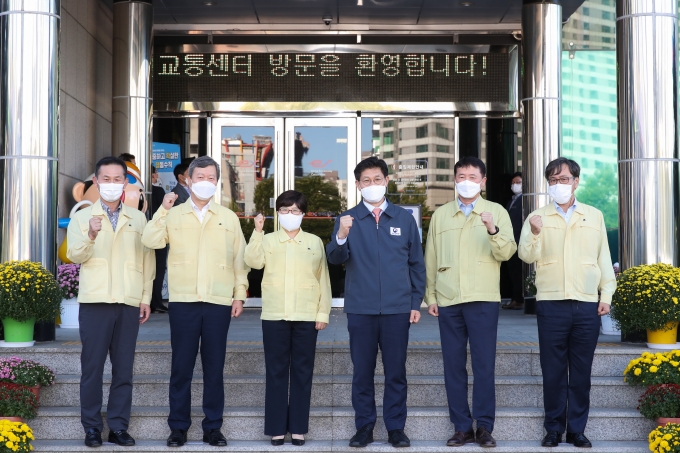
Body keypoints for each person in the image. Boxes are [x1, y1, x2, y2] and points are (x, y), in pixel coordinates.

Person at [141, 156, 250, 448]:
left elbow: (239, 259)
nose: (205, 182)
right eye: (199, 176)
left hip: (217, 302)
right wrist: (162, 211)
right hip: (184, 302)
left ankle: (213, 427)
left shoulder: (228, 218)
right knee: (182, 367)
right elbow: (150, 241)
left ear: (217, 182)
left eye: (211, 177)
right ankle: (178, 427)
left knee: (214, 368)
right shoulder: (173, 214)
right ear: (188, 180)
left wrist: (239, 293)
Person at [326, 157, 426, 449]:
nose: (372, 185)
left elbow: (416, 264)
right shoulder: (347, 219)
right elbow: (334, 258)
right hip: (361, 309)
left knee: (396, 372)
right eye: (366, 181)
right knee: (362, 372)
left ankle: (396, 428)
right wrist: (342, 235)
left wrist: (414, 302)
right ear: (357, 185)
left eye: (377, 179)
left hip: (397, 309)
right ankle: (364, 427)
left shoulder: (403, 219)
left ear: (387, 181)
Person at [518, 157, 616, 449]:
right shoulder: (537, 216)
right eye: (553, 180)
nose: (558, 185)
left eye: (564, 179)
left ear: (576, 181)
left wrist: (606, 295)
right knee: (553, 371)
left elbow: (603, 260)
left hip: (586, 303)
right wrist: (535, 233)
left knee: (581, 371)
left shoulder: (594, 215)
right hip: (551, 303)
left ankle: (577, 430)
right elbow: (525, 255)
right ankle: (553, 429)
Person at [424, 156, 516, 448]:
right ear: (454, 179)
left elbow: (507, 253)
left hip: (483, 298)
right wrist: (432, 296)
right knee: (453, 365)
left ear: (483, 181)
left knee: (483, 365)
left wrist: (492, 230)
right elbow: (431, 258)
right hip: (449, 298)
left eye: (472, 176)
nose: (466, 181)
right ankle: (461, 427)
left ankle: (485, 427)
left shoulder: (496, 212)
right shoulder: (441, 214)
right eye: (461, 175)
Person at [66, 156, 155, 448]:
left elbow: (147, 261)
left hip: (128, 301)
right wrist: (91, 234)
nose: (112, 184)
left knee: (124, 369)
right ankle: (91, 427)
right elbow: (75, 255)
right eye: (107, 179)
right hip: (96, 301)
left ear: (126, 183)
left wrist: (145, 298)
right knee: (92, 368)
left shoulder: (138, 217)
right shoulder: (81, 216)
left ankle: (118, 426)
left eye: (119, 179)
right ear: (95, 181)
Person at [244, 190, 332, 447]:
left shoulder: (314, 241)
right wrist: (257, 231)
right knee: (276, 372)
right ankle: (276, 428)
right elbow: (252, 262)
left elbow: (322, 279)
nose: (289, 215)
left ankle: (298, 428)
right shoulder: (268, 240)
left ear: (303, 214)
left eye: (294, 211)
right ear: (278, 213)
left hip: (306, 315)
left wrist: (322, 312)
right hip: (274, 315)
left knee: (303, 372)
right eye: (284, 210)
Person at [502, 171, 524, 310]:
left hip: (520, 241)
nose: (515, 185)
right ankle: (516, 298)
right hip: (510, 241)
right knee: (513, 271)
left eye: (518, 182)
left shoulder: (525, 200)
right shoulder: (511, 201)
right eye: (513, 183)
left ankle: (520, 298)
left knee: (519, 272)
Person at [149, 166, 168, 314]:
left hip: (142, 234)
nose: (157, 175)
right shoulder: (158, 191)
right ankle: (155, 301)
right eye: (155, 173)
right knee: (158, 269)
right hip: (157, 234)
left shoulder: (134, 192)